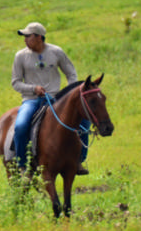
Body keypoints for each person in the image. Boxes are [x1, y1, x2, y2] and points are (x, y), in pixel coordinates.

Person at [11, 22, 91, 175]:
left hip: (56, 98)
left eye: (28, 36)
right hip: (31, 99)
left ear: (39, 37)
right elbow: (15, 82)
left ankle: (79, 161)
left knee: (84, 122)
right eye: (24, 36)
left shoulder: (56, 52)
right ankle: (22, 165)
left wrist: (69, 93)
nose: (25, 39)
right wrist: (33, 89)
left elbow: (71, 74)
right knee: (20, 126)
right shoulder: (20, 56)